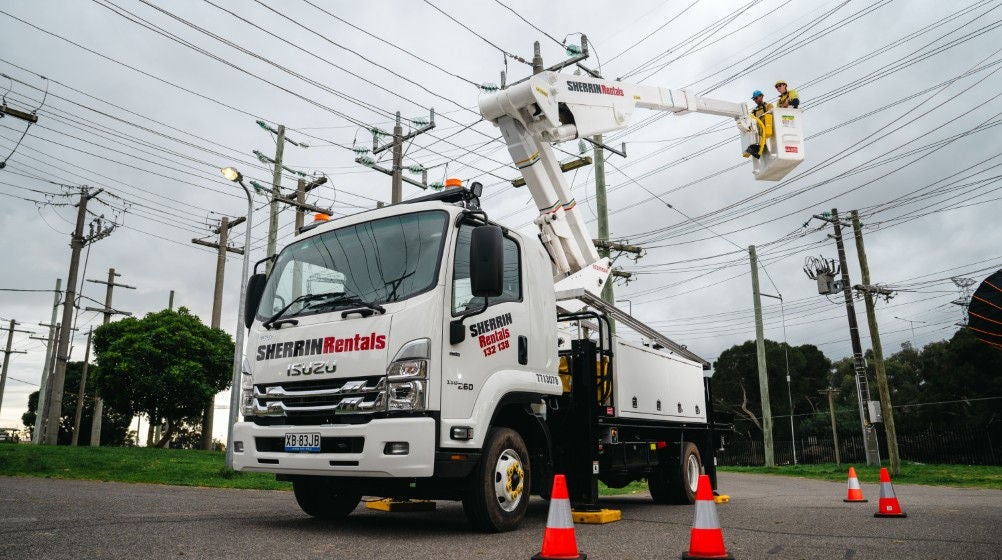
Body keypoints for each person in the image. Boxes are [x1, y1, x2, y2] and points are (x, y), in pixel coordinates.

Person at [745, 90, 773, 159]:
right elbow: (750, 120)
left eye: (756, 98)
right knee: (753, 148)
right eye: (754, 99)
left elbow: (772, 114)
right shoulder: (754, 111)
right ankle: (756, 152)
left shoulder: (768, 106)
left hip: (768, 131)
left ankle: (758, 152)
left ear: (761, 97)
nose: (755, 100)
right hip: (759, 134)